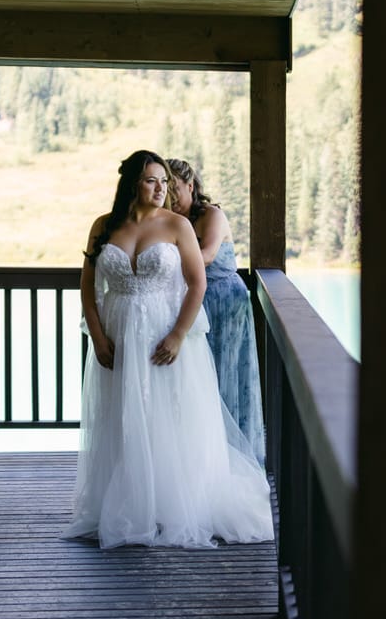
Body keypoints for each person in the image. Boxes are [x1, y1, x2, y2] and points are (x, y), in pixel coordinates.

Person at [62, 149, 273, 549]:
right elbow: (88, 287)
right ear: (131, 185)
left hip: (166, 335)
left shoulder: (178, 225)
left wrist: (178, 334)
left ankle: (175, 505)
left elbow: (198, 283)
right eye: (151, 181)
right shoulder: (104, 226)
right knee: (124, 416)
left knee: (171, 417)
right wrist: (97, 334)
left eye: (164, 182)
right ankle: (132, 503)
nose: (161, 189)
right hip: (118, 334)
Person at [166, 157, 266, 463]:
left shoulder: (212, 215)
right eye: (165, 191)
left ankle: (234, 458)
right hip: (190, 304)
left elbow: (206, 256)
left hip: (223, 302)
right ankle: (197, 458)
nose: (170, 199)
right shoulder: (167, 220)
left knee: (224, 377)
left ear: (191, 186)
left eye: (175, 190)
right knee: (194, 382)